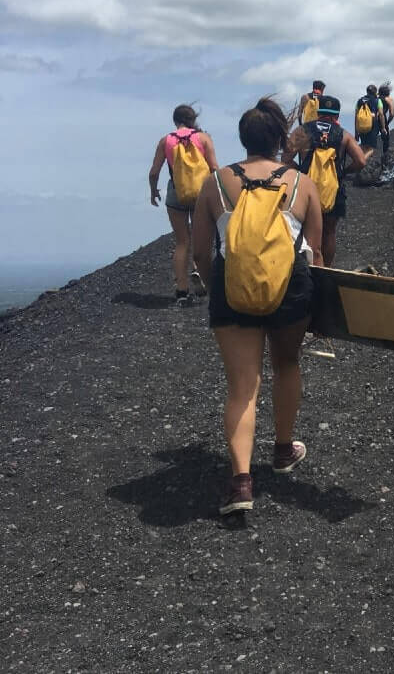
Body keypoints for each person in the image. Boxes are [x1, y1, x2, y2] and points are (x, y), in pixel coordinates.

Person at [191, 98, 324, 516]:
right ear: (280, 140)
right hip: (291, 289)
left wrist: (220, 284)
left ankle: (241, 482)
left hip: (233, 290)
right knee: (286, 365)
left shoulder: (215, 183)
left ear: (243, 139)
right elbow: (315, 249)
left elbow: (200, 253)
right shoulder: (302, 183)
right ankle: (283, 451)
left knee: (242, 385)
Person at [148, 104, 219, 306]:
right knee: (202, 238)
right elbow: (214, 167)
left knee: (182, 242)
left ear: (175, 120)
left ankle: (181, 291)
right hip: (201, 193)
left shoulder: (166, 141)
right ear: (193, 119)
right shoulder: (204, 138)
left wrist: (153, 191)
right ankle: (199, 273)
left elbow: (154, 172)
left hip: (175, 192)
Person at [292, 95, 367, 268]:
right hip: (333, 189)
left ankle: (304, 266)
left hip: (304, 188)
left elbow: (286, 157)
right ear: (337, 116)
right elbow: (361, 161)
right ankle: (326, 268)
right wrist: (344, 172)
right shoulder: (344, 135)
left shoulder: (302, 131)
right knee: (329, 231)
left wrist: (300, 172)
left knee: (302, 229)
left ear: (318, 112)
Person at [354, 84, 384, 153]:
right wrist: (383, 127)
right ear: (375, 92)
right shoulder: (377, 101)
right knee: (371, 148)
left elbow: (356, 117)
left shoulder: (359, 101)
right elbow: (381, 114)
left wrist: (356, 132)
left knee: (363, 146)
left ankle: (359, 160)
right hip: (373, 125)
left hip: (361, 126)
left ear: (367, 91)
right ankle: (361, 161)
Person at [377, 82, 394, 155]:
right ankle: (385, 157)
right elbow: (392, 114)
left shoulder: (376, 99)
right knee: (386, 139)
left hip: (373, 118)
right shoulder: (389, 99)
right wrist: (387, 122)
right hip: (382, 118)